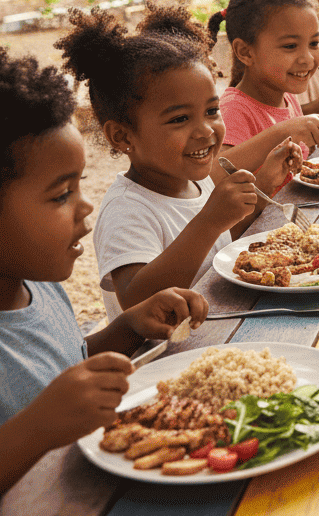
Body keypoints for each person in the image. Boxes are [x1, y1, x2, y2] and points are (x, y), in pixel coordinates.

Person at [0, 47, 209, 493]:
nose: (87, 204)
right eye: (61, 195)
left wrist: (128, 329)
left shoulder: (37, 287)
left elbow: (63, 364)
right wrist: (36, 428)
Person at [57, 4, 301, 322]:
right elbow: (136, 298)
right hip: (168, 358)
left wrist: (265, 182)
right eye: (180, 118)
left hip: (220, 330)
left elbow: (214, 248)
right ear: (122, 135)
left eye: (212, 111)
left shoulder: (194, 182)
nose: (205, 130)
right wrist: (210, 221)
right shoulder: (127, 209)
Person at [206, 0, 319, 170]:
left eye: (313, 43)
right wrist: (285, 131)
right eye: (290, 46)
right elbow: (216, 172)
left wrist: (313, 135)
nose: (307, 59)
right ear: (245, 52)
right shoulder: (234, 111)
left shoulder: (288, 99)